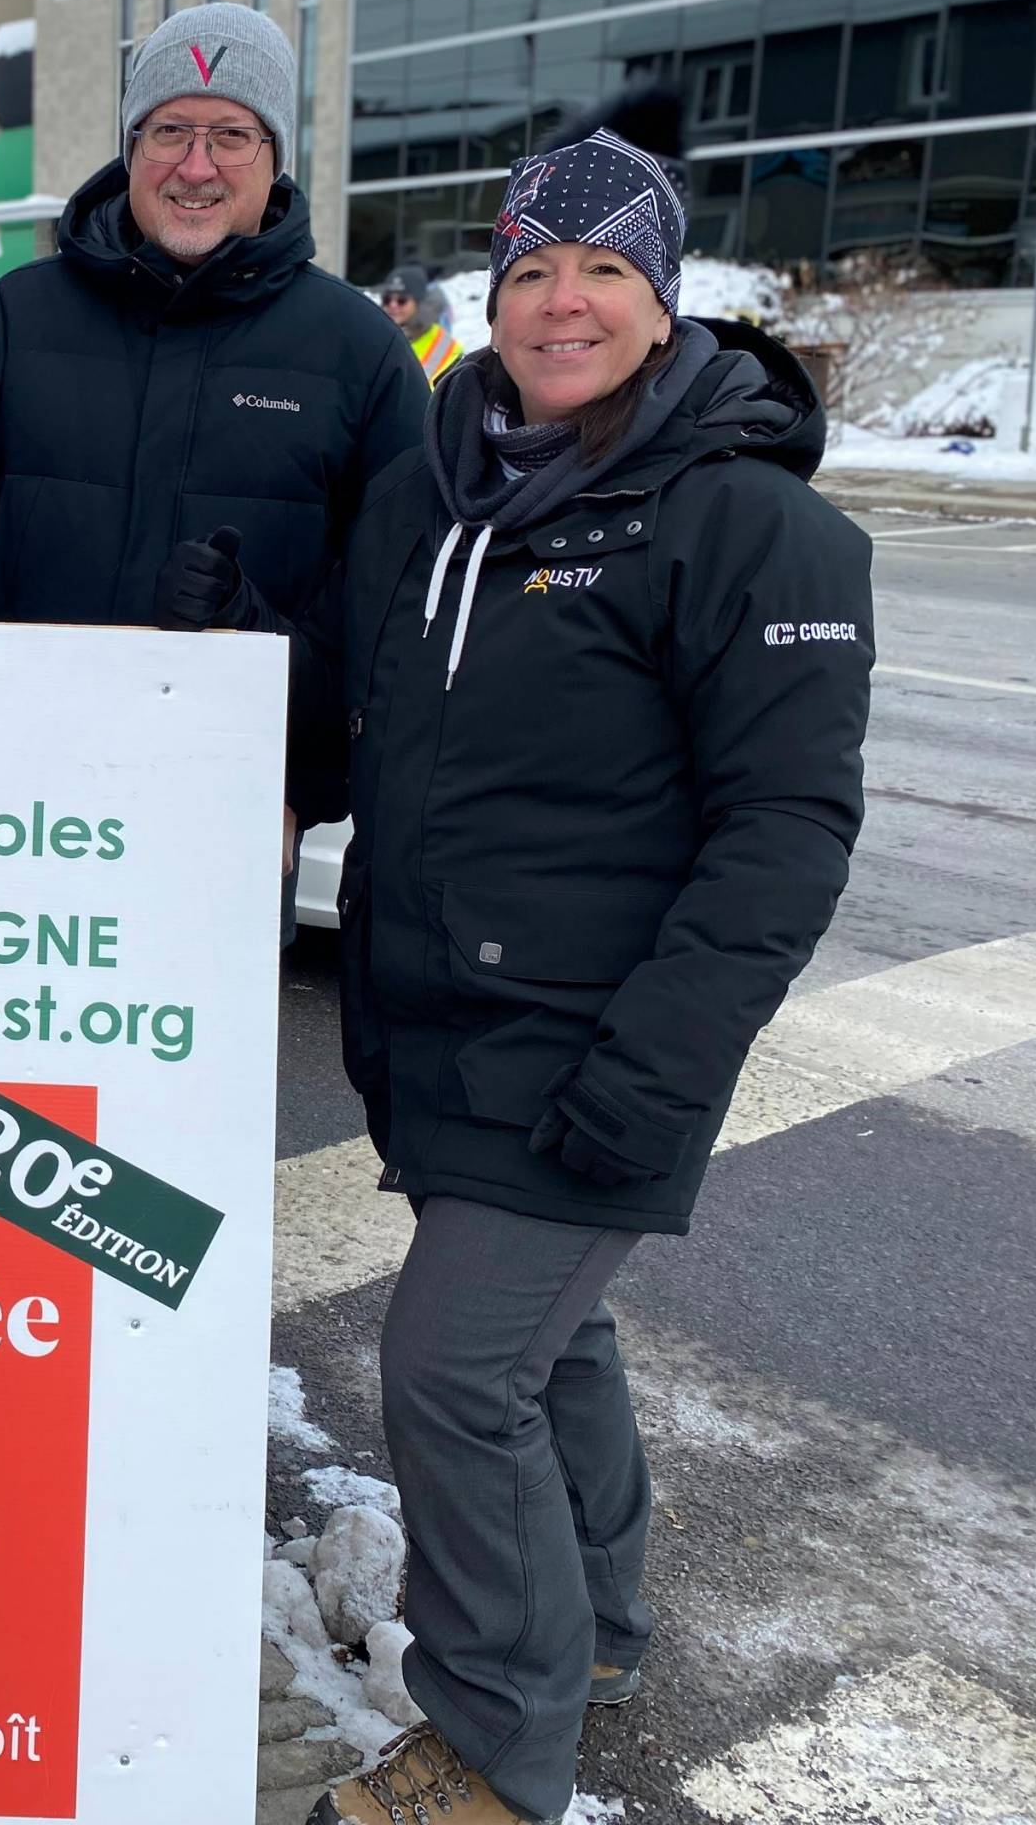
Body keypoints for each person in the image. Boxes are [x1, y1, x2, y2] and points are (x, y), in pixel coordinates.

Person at [303, 107, 872, 1825]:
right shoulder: (438, 490)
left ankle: (495, 1742)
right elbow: (380, 730)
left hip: (600, 1044)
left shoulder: (751, 527)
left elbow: (783, 838)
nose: (562, 302)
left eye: (604, 268)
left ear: (664, 292)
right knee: (545, 1351)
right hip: (446, 1034)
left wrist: (659, 1067)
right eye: (532, 266)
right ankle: (599, 1626)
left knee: (454, 1374)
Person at [0, 3, 425, 927]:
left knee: (183, 1070)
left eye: (230, 135)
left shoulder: (357, 349)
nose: (195, 166)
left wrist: (305, 790)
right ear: (131, 146)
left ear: (275, 154)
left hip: (229, 813)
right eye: (169, 132)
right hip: (15, 798)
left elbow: (397, 614)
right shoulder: (20, 316)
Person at [381, 261, 464, 385]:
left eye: (401, 300)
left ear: (419, 303)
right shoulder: (378, 338)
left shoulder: (444, 347)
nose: (393, 305)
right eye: (387, 299)